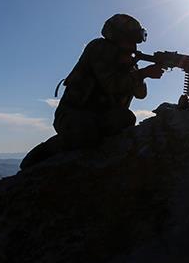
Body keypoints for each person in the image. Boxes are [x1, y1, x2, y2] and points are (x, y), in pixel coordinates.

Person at [20, 14, 165, 170]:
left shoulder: (127, 60)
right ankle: (44, 153)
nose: (134, 46)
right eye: (130, 40)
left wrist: (140, 74)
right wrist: (143, 73)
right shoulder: (99, 48)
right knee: (86, 134)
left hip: (99, 115)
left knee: (125, 118)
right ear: (117, 37)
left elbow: (141, 94)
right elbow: (111, 85)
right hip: (73, 114)